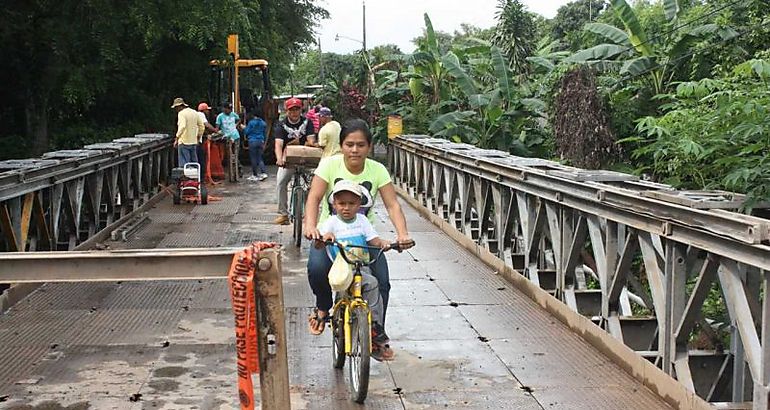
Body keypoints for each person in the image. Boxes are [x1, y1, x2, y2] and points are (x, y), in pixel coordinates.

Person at [304, 119, 413, 353]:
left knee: (381, 282)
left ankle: (375, 332)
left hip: (363, 237)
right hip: (330, 237)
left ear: (369, 147)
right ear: (341, 145)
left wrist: (402, 234)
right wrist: (312, 227)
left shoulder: (377, 170)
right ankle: (323, 307)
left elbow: (393, 204)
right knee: (316, 269)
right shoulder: (329, 166)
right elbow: (313, 197)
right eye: (349, 144)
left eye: (360, 145)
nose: (355, 150)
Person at [312, 179, 393, 360]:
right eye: (341, 204)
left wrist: (384, 244)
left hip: (360, 266)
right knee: (345, 287)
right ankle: (337, 316)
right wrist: (325, 238)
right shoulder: (331, 223)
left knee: (372, 283)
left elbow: (374, 241)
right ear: (334, 204)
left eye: (351, 204)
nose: (346, 208)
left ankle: (374, 325)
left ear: (359, 205)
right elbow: (318, 245)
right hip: (341, 267)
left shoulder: (363, 221)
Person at [273, 97, 316, 225]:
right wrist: (279, 159)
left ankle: (310, 213)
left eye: (297, 109)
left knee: (314, 183)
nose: (294, 112)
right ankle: (283, 214)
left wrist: (311, 144)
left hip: (306, 158)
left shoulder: (307, 123)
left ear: (301, 110)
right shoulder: (281, 125)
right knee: (281, 182)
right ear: (287, 111)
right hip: (288, 160)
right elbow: (278, 145)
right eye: (291, 110)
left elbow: (311, 140)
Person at [171, 97, 204, 167]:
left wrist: (177, 138)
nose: (176, 110)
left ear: (179, 106)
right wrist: (198, 137)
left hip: (183, 142)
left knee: (185, 165)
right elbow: (201, 126)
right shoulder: (194, 112)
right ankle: (195, 177)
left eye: (176, 108)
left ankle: (186, 177)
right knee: (194, 163)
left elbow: (182, 126)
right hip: (193, 142)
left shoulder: (181, 114)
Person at [216, 102, 241, 174]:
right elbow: (217, 127)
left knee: (236, 154)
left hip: (236, 136)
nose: (229, 111)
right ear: (224, 109)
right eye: (228, 109)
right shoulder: (220, 117)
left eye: (230, 109)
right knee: (228, 155)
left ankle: (238, 168)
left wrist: (236, 125)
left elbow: (238, 119)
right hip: (226, 137)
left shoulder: (233, 114)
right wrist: (217, 133)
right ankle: (231, 172)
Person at [196, 102, 219, 182]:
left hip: (194, 139)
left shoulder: (196, 115)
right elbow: (207, 125)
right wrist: (215, 130)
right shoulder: (201, 115)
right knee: (201, 158)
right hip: (198, 141)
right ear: (204, 110)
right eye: (207, 110)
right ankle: (201, 178)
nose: (208, 112)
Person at [243, 111, 268, 181]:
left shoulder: (251, 122)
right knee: (260, 158)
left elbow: (247, 132)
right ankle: (263, 173)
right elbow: (265, 133)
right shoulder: (263, 123)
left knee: (253, 158)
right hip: (261, 141)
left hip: (252, 141)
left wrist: (244, 128)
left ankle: (255, 174)